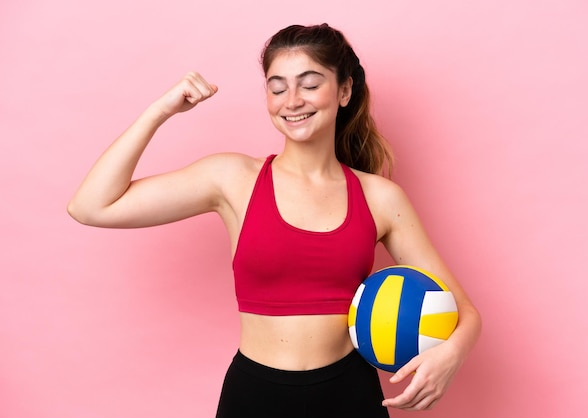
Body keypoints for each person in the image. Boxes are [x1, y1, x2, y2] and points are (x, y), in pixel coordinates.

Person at [67, 23, 481, 417]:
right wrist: (160, 111)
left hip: (350, 396)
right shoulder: (233, 179)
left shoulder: (380, 197)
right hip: (254, 397)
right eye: (277, 87)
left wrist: (451, 355)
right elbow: (91, 206)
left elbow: (464, 312)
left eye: (310, 84)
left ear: (344, 90)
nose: (292, 100)